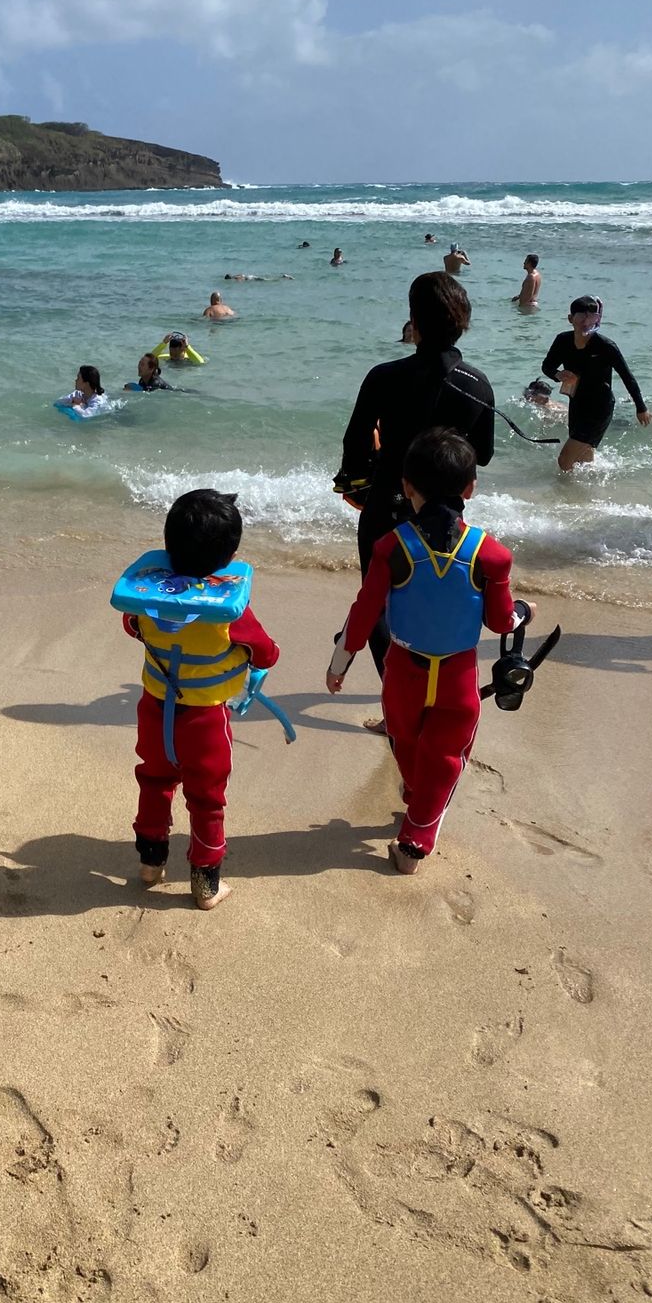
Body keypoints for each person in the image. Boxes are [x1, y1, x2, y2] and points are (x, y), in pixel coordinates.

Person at [326, 429, 532, 874]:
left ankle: (416, 802)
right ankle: (416, 838)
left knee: (404, 739)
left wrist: (339, 662)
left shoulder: (392, 547)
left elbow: (364, 612)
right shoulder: (491, 555)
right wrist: (521, 613)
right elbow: (500, 622)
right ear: (470, 488)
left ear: (406, 487)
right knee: (445, 755)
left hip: (402, 669)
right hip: (457, 674)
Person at [339, 271, 495, 695]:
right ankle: (432, 693)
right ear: (462, 320)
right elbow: (482, 454)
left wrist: (362, 477)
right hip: (445, 513)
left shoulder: (383, 376)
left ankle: (399, 698)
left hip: (387, 501)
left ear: (415, 321)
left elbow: (354, 444)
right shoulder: (477, 383)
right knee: (433, 598)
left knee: (375, 604)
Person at [122, 489, 278, 910]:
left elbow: (130, 625)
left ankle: (150, 864)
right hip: (205, 722)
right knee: (207, 799)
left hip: (154, 711)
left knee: (154, 781)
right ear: (229, 554)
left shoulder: (147, 605)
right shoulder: (228, 613)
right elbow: (265, 651)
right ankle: (206, 883)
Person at [540, 295, 651, 470]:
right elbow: (547, 366)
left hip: (600, 406)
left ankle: (567, 490)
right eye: (582, 316)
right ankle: (586, 492)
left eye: (591, 317)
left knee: (565, 460)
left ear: (597, 320)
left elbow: (627, 376)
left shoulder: (606, 346)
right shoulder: (563, 340)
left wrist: (641, 407)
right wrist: (558, 374)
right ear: (571, 318)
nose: (586, 321)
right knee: (584, 455)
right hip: (577, 403)